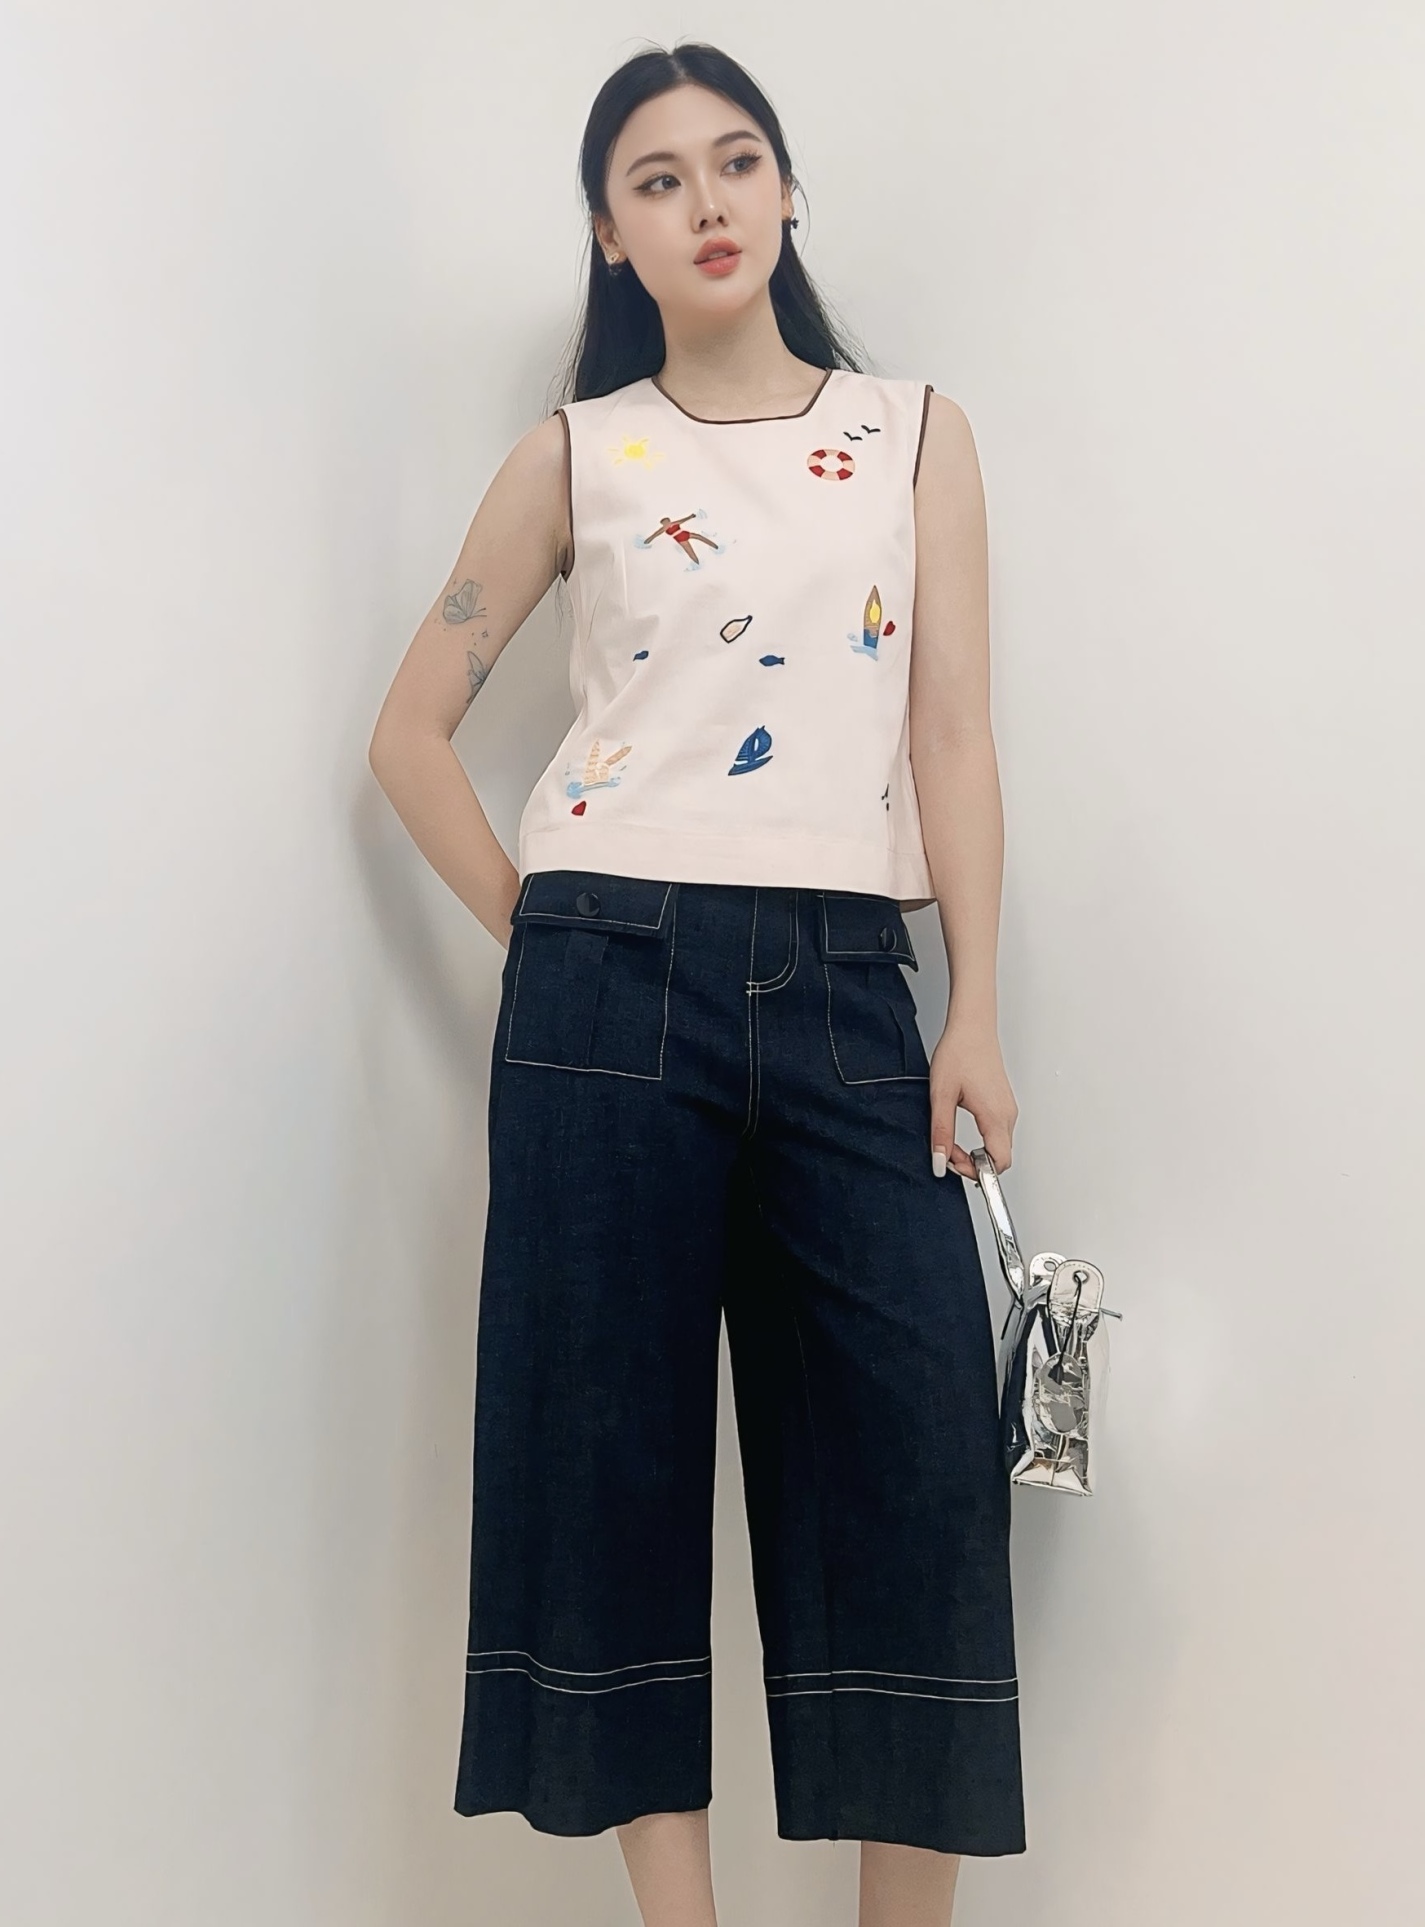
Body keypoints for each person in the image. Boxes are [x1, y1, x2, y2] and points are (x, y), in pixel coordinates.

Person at [368, 39, 1024, 1927]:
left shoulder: (911, 435)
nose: (707, 202)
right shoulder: (576, 454)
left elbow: (953, 735)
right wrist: (552, 930)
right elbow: (410, 734)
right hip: (604, 994)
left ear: (788, 191)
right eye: (657, 180)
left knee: (912, 1477)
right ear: (610, 234)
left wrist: (974, 1008)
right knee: (610, 1468)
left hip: (850, 993)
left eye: (737, 162)